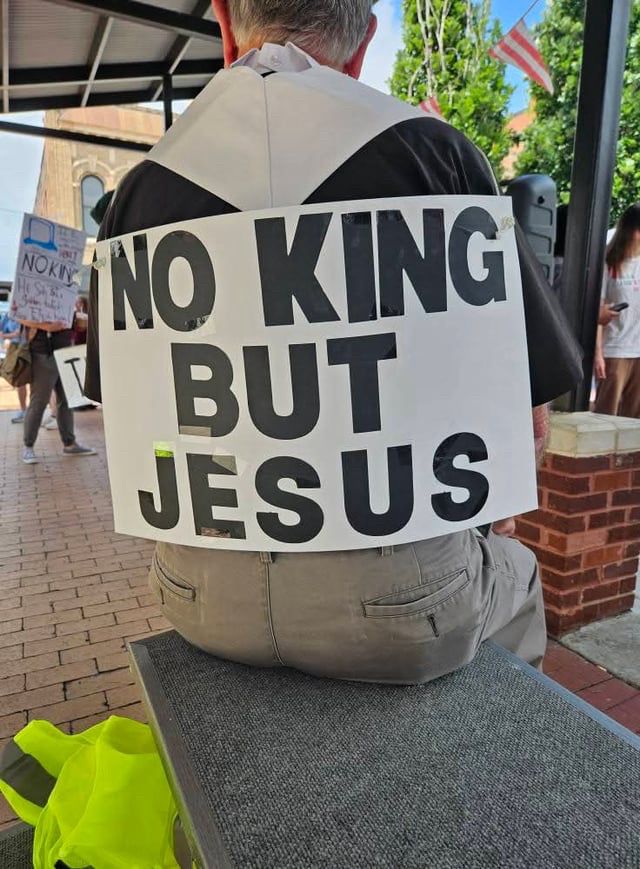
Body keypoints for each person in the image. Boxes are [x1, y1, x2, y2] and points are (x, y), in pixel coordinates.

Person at [86, 0, 582, 684]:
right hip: (405, 611)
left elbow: (128, 411)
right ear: (363, 45)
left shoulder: (138, 192)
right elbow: (527, 424)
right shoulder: (438, 157)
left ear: (226, 24)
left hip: (197, 596)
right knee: (518, 574)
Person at [19, 317, 95, 464]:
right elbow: (18, 315)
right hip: (43, 352)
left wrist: (77, 320)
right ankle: (28, 446)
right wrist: (45, 326)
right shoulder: (35, 294)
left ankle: (69, 444)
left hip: (65, 351)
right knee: (39, 401)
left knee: (66, 400)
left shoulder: (66, 295)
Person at [594, 203, 640, 417]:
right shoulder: (608, 262)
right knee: (605, 419)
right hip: (614, 351)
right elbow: (597, 312)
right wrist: (598, 354)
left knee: (633, 425)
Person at [1, 312, 29, 424]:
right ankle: (24, 411)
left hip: (26, 348)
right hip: (17, 349)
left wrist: (5, 336)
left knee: (24, 381)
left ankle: (27, 412)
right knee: (20, 381)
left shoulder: (21, 312)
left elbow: (17, 333)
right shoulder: (8, 315)